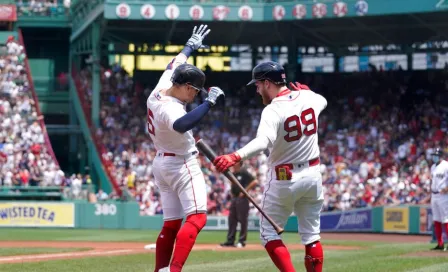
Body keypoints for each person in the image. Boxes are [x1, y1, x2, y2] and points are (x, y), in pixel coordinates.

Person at [213, 61, 327, 272]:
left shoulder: (272, 110)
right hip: (313, 175)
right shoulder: (310, 98)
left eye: (257, 85)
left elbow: (262, 142)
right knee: (311, 236)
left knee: (268, 234)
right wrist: (308, 93)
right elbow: (323, 100)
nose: (257, 90)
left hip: (285, 177)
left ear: (267, 83)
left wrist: (234, 156)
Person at [147, 25, 225, 272]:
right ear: (187, 86)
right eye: (195, 91)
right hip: (181, 163)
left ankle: (160, 270)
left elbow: (177, 61)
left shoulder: (163, 86)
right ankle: (174, 270)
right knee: (198, 217)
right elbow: (182, 124)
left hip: (161, 163)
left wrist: (191, 45)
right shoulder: (169, 107)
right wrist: (209, 103)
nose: (195, 96)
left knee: (171, 224)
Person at [220, 162, 258, 248]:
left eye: (235, 163)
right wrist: (232, 193)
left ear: (239, 164)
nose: (233, 164)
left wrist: (245, 191)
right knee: (232, 220)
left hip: (242, 199)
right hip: (234, 199)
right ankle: (230, 240)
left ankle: (242, 241)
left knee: (243, 220)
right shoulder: (233, 173)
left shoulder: (243, 172)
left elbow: (254, 181)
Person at [430, 148, 448, 251]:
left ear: (440, 155)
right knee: (436, 220)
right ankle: (440, 244)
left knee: (446, 220)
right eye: (433, 155)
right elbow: (432, 181)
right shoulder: (433, 167)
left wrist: (447, 188)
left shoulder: (446, 165)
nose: (434, 157)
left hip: (443, 195)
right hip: (434, 195)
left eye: (436, 155)